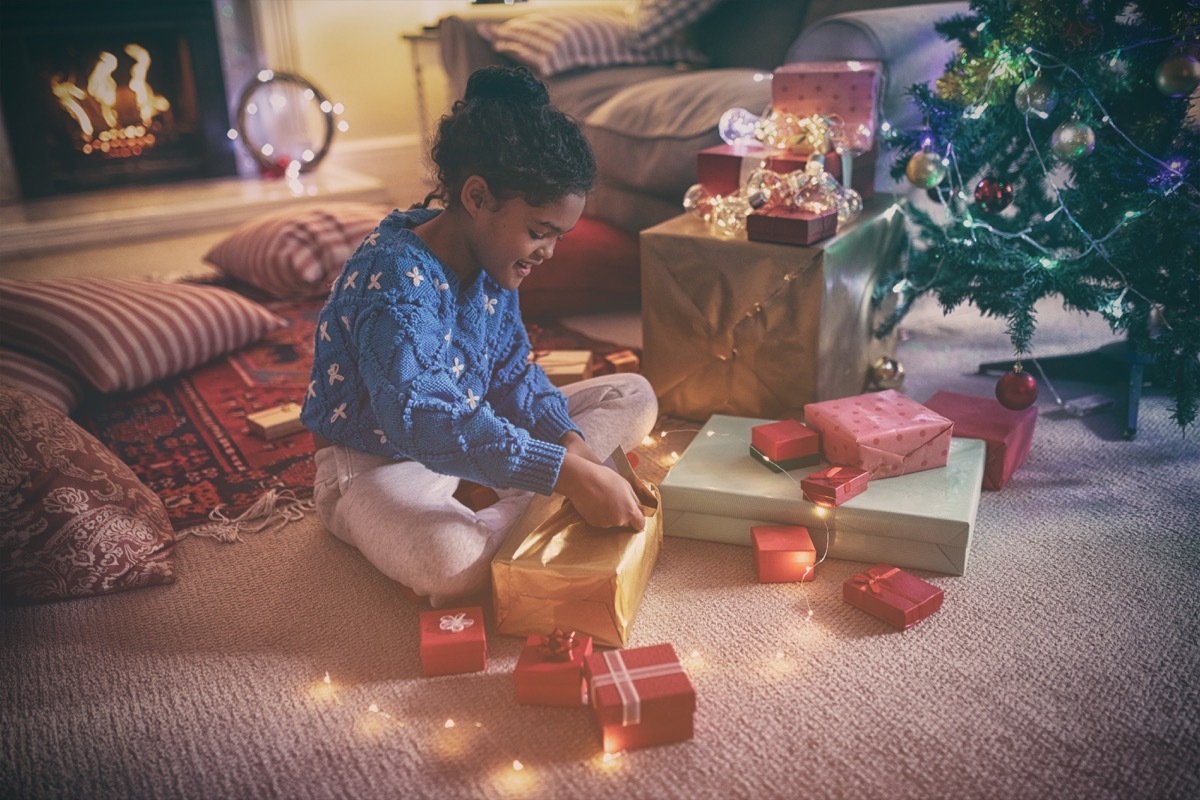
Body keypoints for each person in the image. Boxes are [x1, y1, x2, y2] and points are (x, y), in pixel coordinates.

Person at [301, 65, 659, 607]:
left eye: (558, 237)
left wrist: (569, 444)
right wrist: (567, 476)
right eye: (539, 232)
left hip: (471, 425)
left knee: (634, 394)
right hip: (380, 462)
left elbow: (513, 374)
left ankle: (519, 487)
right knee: (448, 564)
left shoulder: (494, 263)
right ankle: (528, 498)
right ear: (476, 197)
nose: (549, 253)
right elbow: (421, 419)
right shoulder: (395, 281)